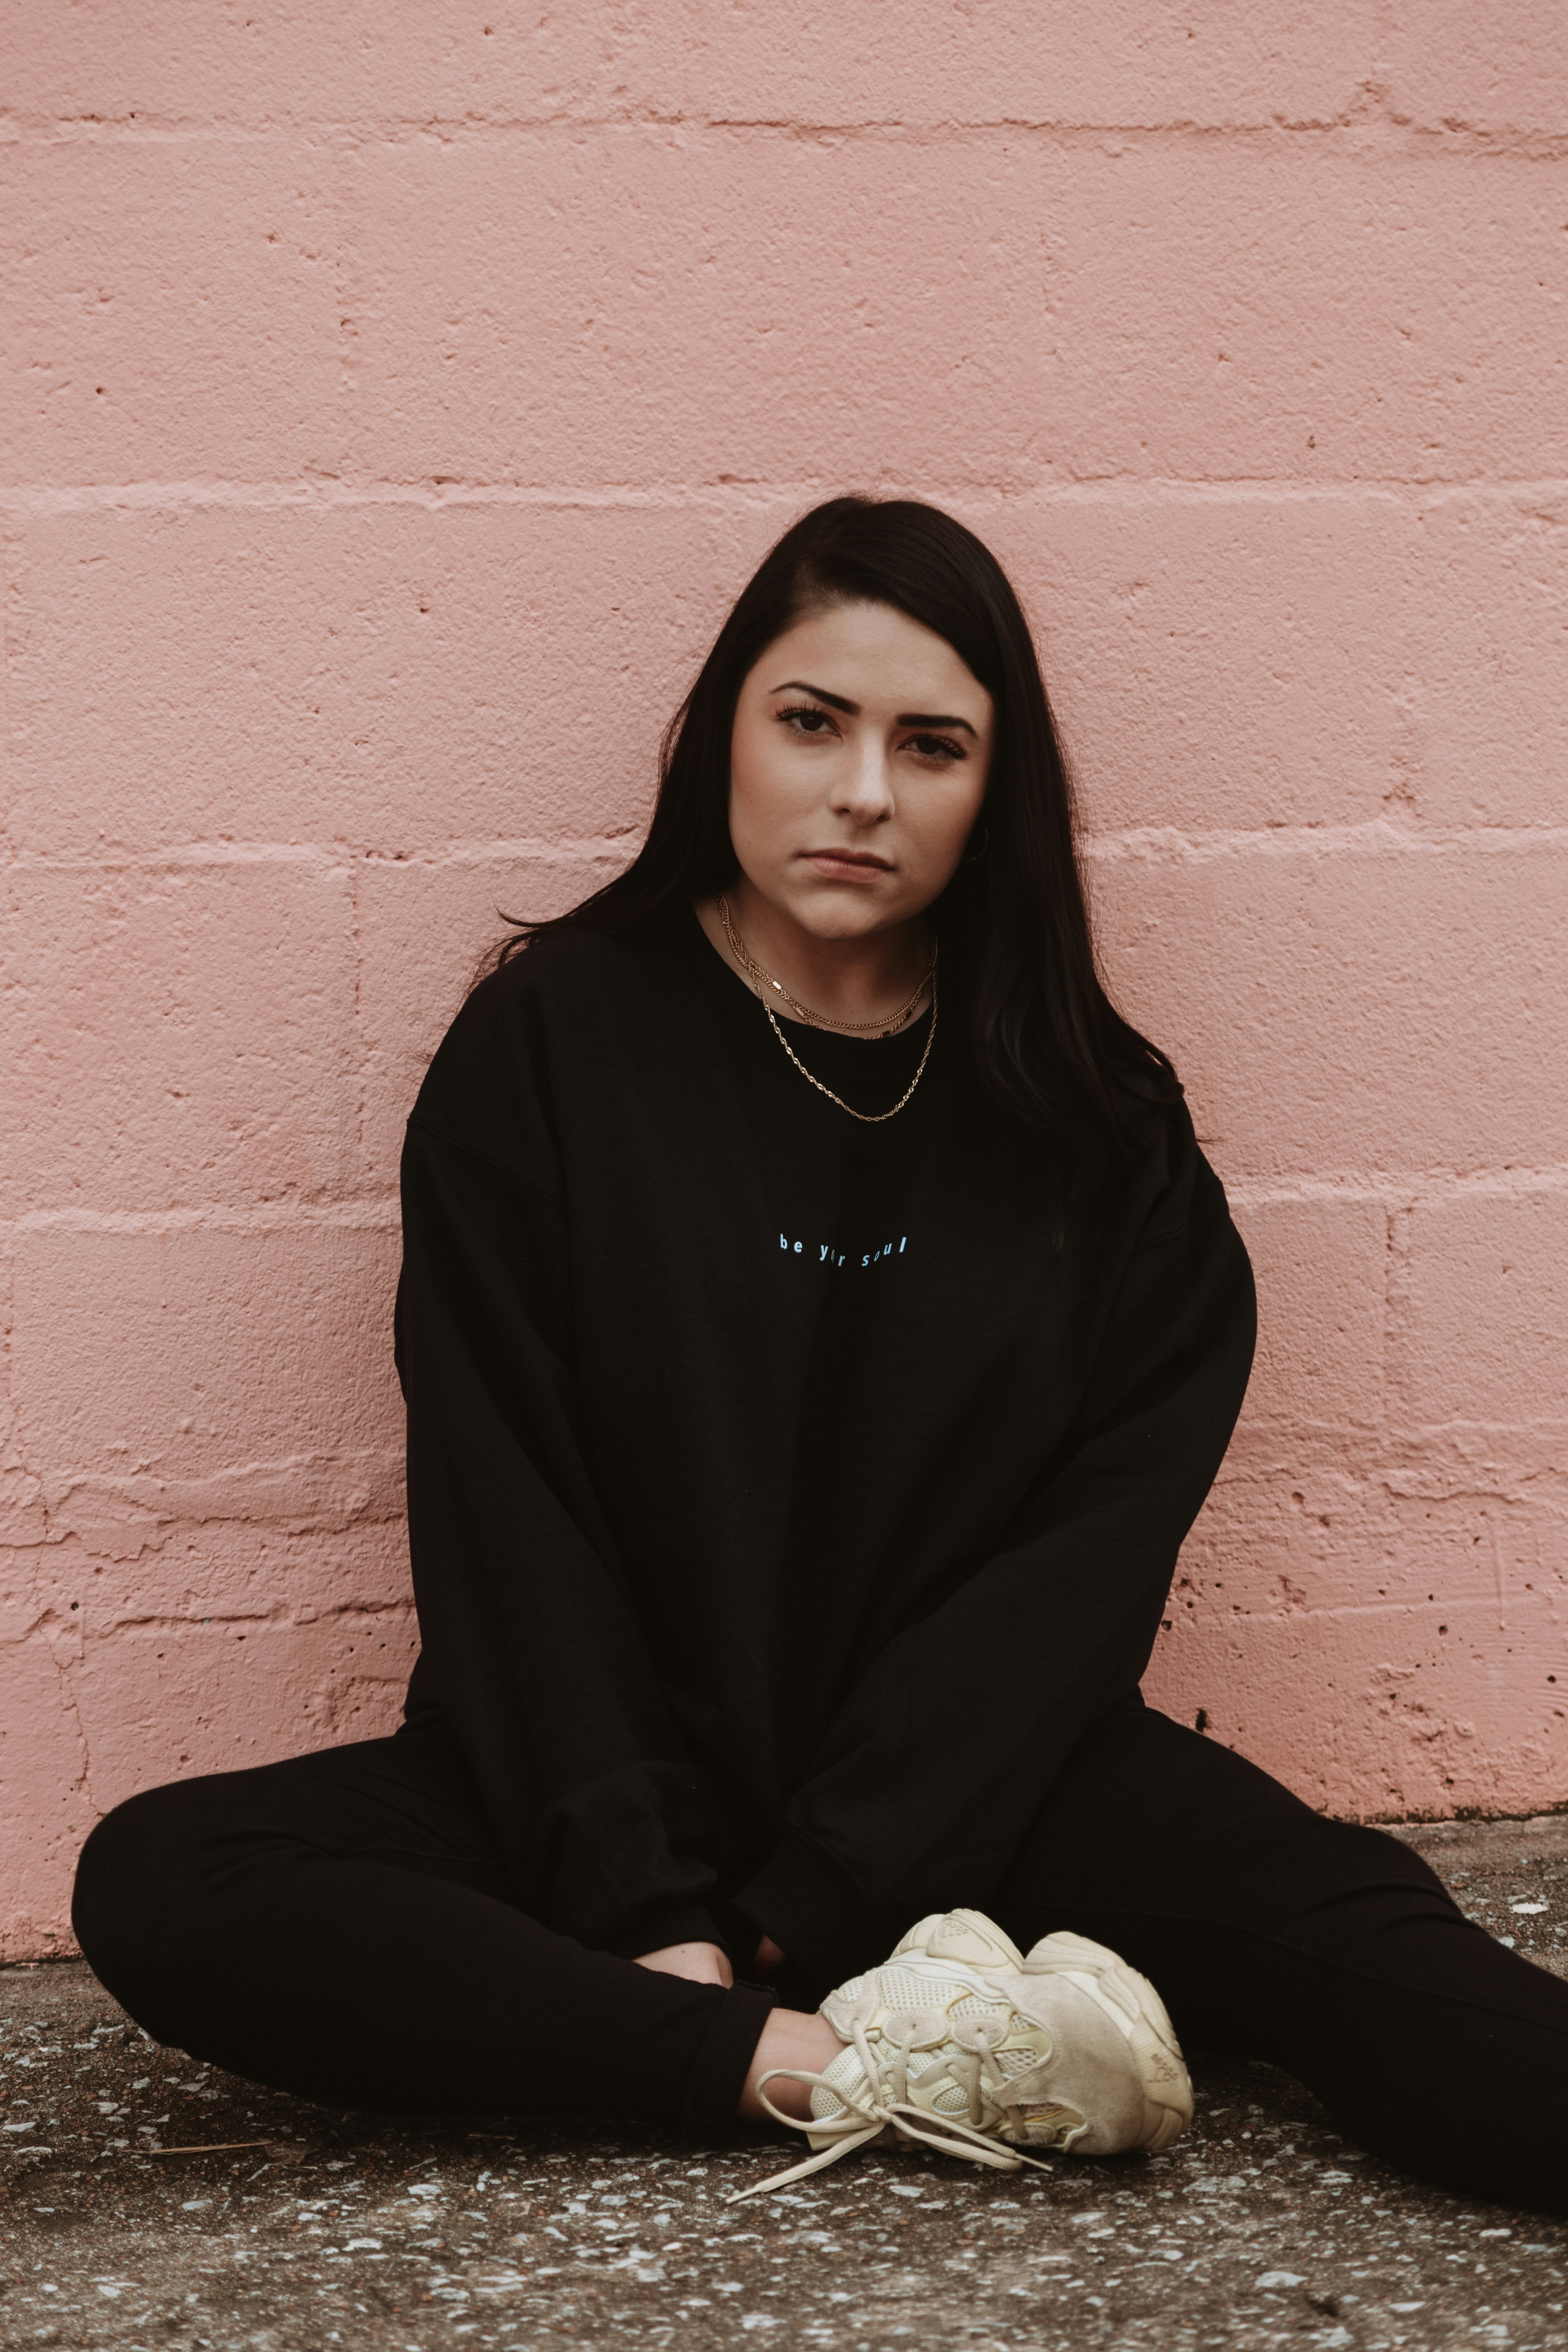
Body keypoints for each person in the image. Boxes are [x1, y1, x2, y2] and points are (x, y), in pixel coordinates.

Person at [73, 498, 1568, 2211]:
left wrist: (815, 1899)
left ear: (993, 795)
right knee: (170, 1877)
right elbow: (508, 1508)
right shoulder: (553, 1047)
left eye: (931, 745)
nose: (863, 789)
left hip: (992, 1796)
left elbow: (1086, 1564)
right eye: (811, 722)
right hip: (596, 1786)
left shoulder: (1098, 1120)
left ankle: (720, 2030)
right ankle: (841, 2063)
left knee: (1366, 1937)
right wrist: (650, 1909)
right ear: (725, 732)